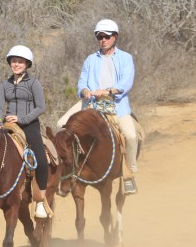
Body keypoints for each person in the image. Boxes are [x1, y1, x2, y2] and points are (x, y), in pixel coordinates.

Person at [57, 19, 138, 194]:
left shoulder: (125, 58)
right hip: (90, 103)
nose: (103, 40)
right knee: (60, 125)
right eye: (99, 36)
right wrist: (85, 91)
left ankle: (129, 172)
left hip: (115, 104)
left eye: (107, 36)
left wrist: (108, 91)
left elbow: (126, 82)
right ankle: (70, 168)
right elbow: (82, 83)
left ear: (115, 37)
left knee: (131, 136)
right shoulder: (90, 59)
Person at [0, 45, 52, 218]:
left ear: (27, 64)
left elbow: (41, 106)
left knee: (41, 160)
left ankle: (40, 201)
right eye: (13, 61)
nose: (16, 64)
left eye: (20, 61)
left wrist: (22, 119)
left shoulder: (34, 83)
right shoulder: (5, 84)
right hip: (7, 124)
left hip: (29, 124)